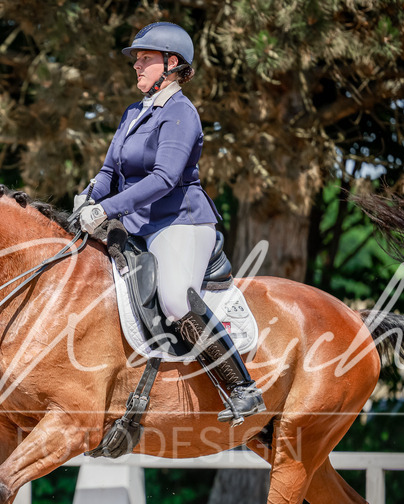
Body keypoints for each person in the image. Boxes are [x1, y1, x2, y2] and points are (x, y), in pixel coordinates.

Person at [76, 21, 264, 423]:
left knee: (177, 300)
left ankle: (242, 387)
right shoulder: (134, 112)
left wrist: (108, 210)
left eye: (145, 59)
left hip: (179, 222)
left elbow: (163, 179)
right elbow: (110, 169)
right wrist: (91, 198)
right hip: (138, 222)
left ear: (171, 63)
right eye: (136, 60)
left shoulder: (181, 113)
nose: (137, 66)